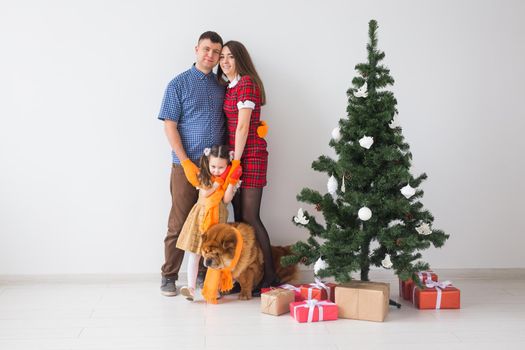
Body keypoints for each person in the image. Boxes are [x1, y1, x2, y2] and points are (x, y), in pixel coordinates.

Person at [158, 31, 225, 296]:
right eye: (206, 49)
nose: (210, 55)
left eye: (216, 52)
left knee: (211, 222)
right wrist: (185, 162)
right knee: (179, 222)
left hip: (216, 169)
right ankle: (168, 276)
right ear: (196, 49)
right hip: (186, 166)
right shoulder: (178, 84)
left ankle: (204, 276)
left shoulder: (222, 85)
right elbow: (169, 125)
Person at [217, 41, 278, 288]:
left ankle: (270, 275)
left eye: (230, 57)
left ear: (241, 59)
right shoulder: (230, 86)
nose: (225, 61)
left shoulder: (247, 84)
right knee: (239, 216)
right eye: (222, 57)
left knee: (252, 217)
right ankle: (246, 276)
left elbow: (243, 127)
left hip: (249, 156)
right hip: (236, 158)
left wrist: (237, 162)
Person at [176, 145, 241, 301]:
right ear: (207, 162)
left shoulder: (226, 181)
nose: (216, 170)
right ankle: (191, 288)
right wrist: (216, 184)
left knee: (216, 257)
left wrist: (231, 181)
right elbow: (205, 193)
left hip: (217, 224)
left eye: (221, 167)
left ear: (227, 166)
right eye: (213, 166)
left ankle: (214, 288)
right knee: (194, 255)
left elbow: (226, 200)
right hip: (200, 220)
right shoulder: (204, 176)